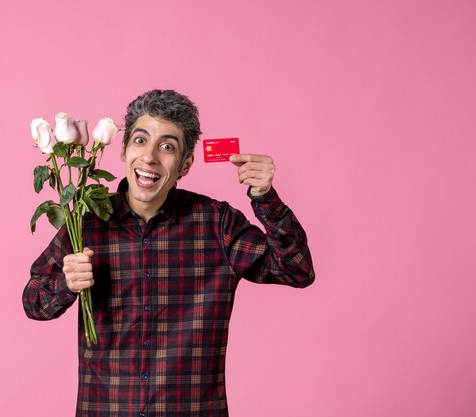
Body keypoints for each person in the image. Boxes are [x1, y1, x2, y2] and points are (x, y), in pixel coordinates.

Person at [23, 89, 315, 417]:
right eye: (140, 141)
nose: (149, 157)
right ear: (122, 149)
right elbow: (34, 303)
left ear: (186, 164)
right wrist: (66, 283)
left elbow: (297, 270)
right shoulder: (86, 221)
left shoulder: (217, 224)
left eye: (167, 147)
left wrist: (265, 197)